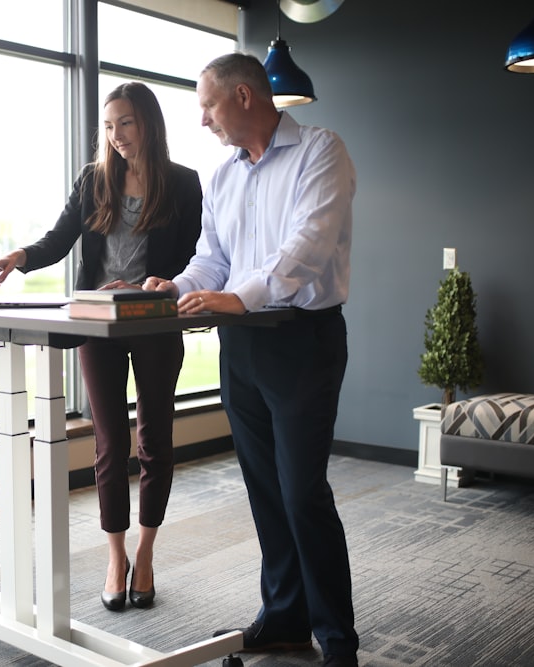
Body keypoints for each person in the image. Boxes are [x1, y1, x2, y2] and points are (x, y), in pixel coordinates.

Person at [143, 53, 359, 666]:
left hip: (302, 339)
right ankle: (285, 615)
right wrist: (178, 286)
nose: (203, 120)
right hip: (239, 345)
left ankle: (337, 638)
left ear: (243, 96)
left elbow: (306, 250)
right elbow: (213, 260)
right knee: (264, 489)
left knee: (301, 493)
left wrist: (236, 295)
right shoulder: (222, 177)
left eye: (207, 105)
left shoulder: (322, 150)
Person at [0, 82, 202, 612]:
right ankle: (115, 556)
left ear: (147, 123)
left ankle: (145, 552)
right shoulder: (93, 179)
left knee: (155, 441)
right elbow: (58, 241)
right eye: (108, 125)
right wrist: (19, 257)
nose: (116, 135)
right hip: (97, 325)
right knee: (108, 444)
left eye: (125, 123)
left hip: (153, 323)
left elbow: (197, 255)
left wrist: (156, 282)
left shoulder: (184, 184)